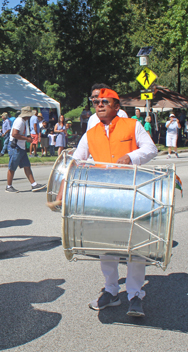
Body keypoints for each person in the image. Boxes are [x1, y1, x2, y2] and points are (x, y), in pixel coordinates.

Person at [72, 88, 157, 317]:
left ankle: (135, 295)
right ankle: (111, 291)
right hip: (103, 196)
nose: (99, 105)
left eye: (104, 102)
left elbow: (151, 148)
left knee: (134, 246)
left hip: (131, 194)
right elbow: (76, 159)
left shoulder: (132, 125)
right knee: (105, 245)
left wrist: (131, 157)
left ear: (117, 106)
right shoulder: (90, 133)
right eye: (96, 102)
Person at [5, 106, 46, 193]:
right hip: (15, 147)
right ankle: (9, 186)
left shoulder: (24, 121)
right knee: (12, 167)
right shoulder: (19, 121)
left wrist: (27, 137)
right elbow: (14, 134)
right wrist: (27, 139)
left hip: (20, 147)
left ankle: (34, 184)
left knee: (27, 166)